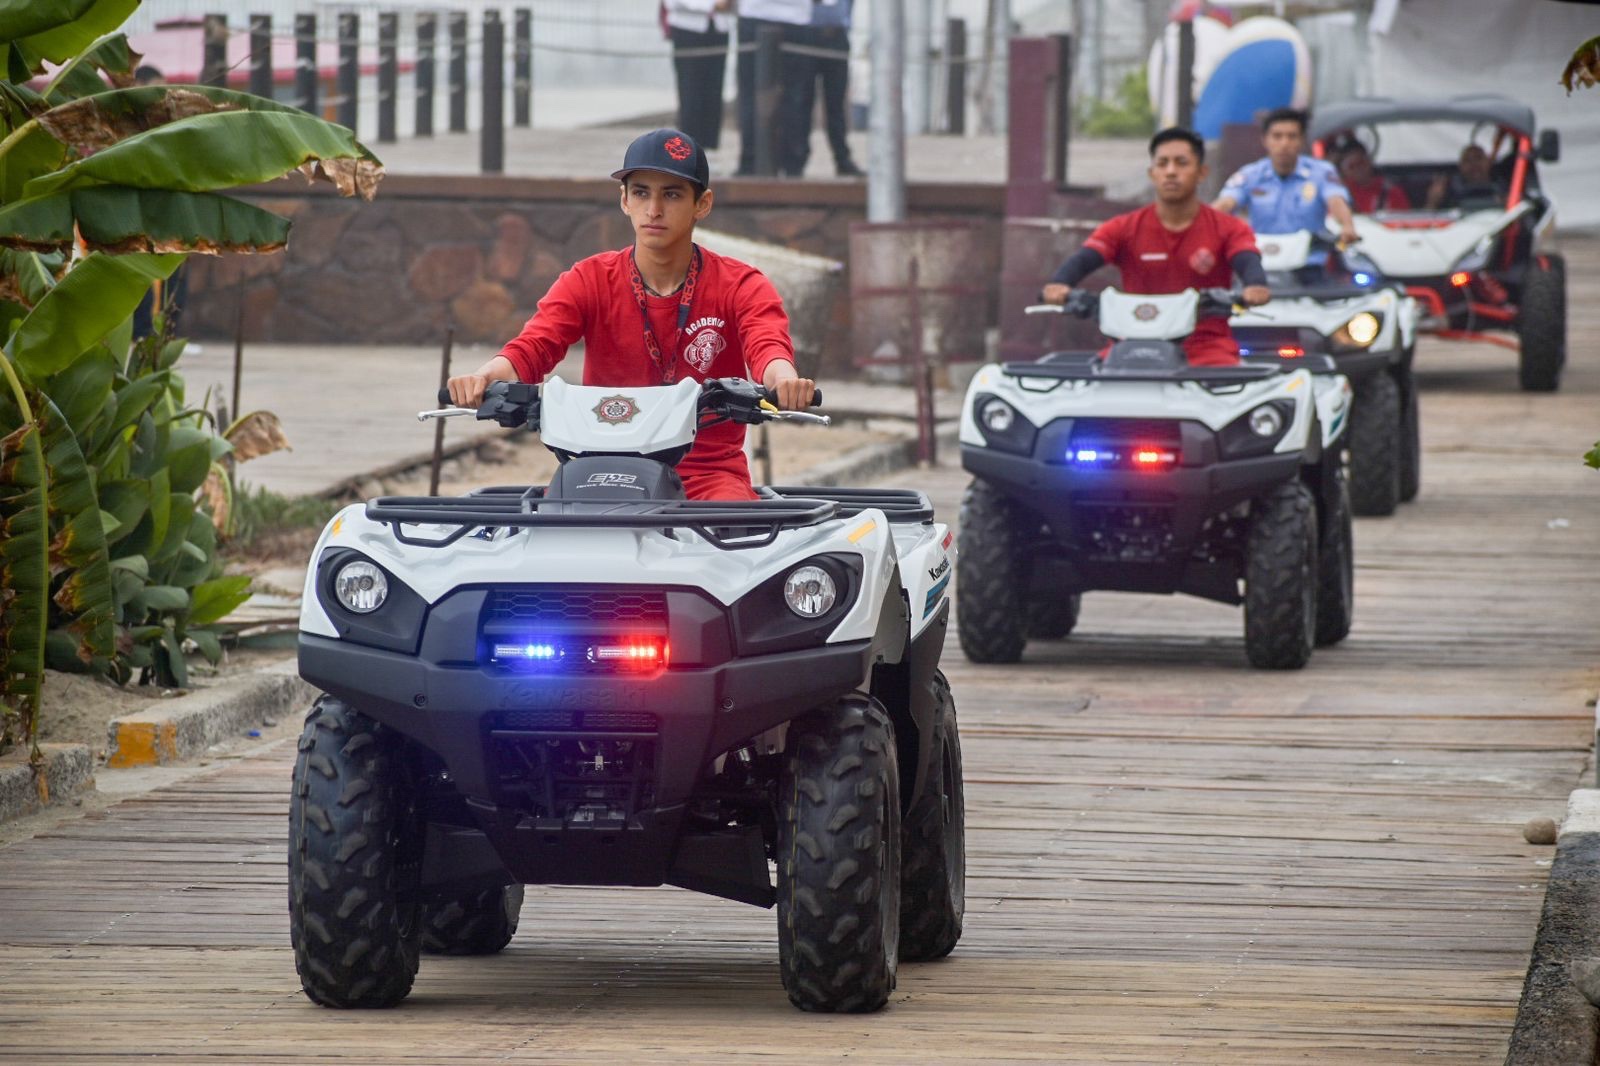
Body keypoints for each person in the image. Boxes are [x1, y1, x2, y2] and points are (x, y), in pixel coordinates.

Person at [447, 129, 816, 501]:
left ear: (702, 204)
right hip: (599, 470)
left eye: (671, 194)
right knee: (547, 534)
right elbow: (533, 347)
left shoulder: (741, 284)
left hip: (707, 475)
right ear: (624, 199)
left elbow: (767, 346)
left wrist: (785, 381)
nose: (653, 209)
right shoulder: (588, 279)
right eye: (641, 192)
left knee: (736, 534)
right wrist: (483, 378)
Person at [1042, 127, 1270, 367]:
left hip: (1206, 351)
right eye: (1163, 163)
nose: (1171, 172)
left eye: (1181, 163)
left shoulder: (1228, 227)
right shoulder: (1123, 227)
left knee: (1230, 395)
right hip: (1131, 347)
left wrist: (1256, 285)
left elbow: (1247, 259)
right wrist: (1060, 284)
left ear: (1202, 172)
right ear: (1152, 173)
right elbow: (1085, 258)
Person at [1214, 108, 1359, 246]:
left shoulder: (1321, 172)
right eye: (1277, 136)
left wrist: (1347, 226)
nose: (1284, 144)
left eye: (1292, 136)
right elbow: (1226, 203)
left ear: (1302, 140)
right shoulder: (1250, 175)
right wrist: (1205, 226)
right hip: (1262, 259)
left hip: (1308, 262)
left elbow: (1336, 201)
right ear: (1265, 140)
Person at [780, 0, 863, 178]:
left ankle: (842, 158)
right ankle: (795, 160)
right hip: (806, 32)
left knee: (836, 103)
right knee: (800, 100)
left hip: (837, 33)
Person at [733, 0, 812, 176]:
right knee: (794, 96)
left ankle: (750, 161)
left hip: (758, 13)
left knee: (751, 94)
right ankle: (792, 164)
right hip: (794, 17)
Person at [664, 0, 732, 151]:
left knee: (714, 92)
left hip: (718, 27)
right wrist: (711, 5)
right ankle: (687, 151)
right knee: (690, 92)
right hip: (688, 26)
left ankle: (710, 148)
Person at [1337, 142, 1411, 213]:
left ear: (1369, 162)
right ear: (1343, 170)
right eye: (1351, 166)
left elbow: (1405, 220)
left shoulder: (1392, 192)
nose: (1358, 169)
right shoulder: (1339, 194)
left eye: (1361, 163)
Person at [1425, 144, 1505, 210]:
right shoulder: (1449, 191)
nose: (1474, 164)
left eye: (1478, 158)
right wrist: (1433, 201)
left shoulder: (1503, 186)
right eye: (1468, 160)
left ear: (1488, 162)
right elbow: (1429, 218)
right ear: (1460, 166)